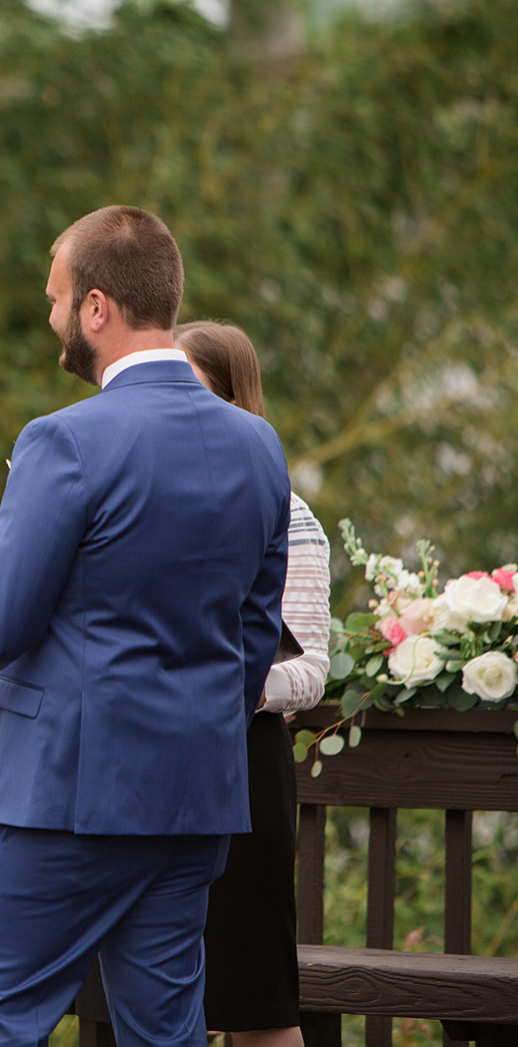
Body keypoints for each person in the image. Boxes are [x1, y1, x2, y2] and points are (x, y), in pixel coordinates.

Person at [0, 206, 291, 1046]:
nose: (50, 319)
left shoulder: (65, 441)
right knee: (165, 1031)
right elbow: (255, 637)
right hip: (195, 798)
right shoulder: (258, 446)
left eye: (56, 298)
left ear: (97, 308)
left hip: (70, 800)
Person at [176, 320, 331, 1047]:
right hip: (154, 769)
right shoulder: (152, 502)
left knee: (255, 1004)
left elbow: (308, 671)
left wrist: (220, 687)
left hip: (241, 775)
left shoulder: (290, 515)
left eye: (192, 390)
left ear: (235, 400)